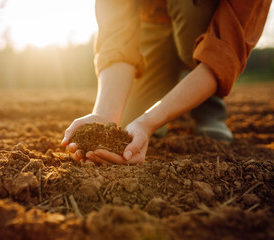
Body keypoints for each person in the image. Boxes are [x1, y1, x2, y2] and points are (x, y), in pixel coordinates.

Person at [61, 0, 272, 165]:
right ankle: (175, 97)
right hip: (152, 23)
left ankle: (206, 103)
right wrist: (105, 116)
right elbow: (116, 36)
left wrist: (149, 122)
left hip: (202, 26)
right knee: (129, 121)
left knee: (191, 9)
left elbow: (226, 49)